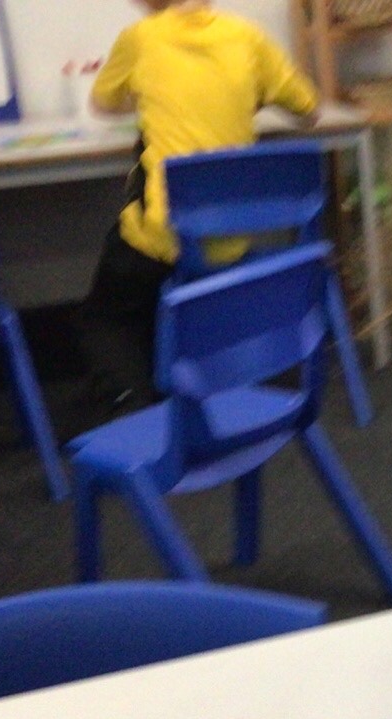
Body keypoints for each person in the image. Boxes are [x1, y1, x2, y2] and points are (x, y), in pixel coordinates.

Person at [79, 0, 319, 416]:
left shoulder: (141, 39)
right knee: (165, 285)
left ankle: (132, 406)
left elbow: (102, 104)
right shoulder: (248, 37)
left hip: (161, 237)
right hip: (227, 240)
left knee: (105, 316)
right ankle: (204, 380)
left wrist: (148, 96)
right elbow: (309, 111)